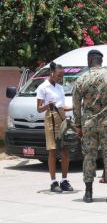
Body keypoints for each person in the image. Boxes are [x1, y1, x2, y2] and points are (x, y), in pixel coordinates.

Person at [73, 50, 107, 203]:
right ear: (101, 61)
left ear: (90, 60)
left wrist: (78, 125)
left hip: (88, 124)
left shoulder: (82, 78)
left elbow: (76, 104)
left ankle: (88, 193)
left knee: (89, 156)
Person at [36, 61, 74, 193]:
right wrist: (48, 105)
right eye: (59, 75)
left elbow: (61, 106)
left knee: (65, 150)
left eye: (62, 75)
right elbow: (39, 109)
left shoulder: (60, 87)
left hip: (61, 117)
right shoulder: (43, 87)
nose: (61, 78)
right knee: (52, 150)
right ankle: (53, 182)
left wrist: (74, 107)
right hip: (50, 118)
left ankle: (64, 180)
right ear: (52, 73)